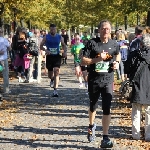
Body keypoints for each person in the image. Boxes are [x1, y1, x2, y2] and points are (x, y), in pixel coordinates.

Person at [81, 20, 120, 148]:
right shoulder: (92, 43)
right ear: (99, 30)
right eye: (103, 28)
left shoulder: (114, 43)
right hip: (94, 80)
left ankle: (105, 136)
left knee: (107, 108)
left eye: (108, 29)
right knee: (93, 106)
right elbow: (83, 60)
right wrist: (98, 59)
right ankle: (91, 126)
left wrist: (117, 63)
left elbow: (117, 54)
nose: (106, 31)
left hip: (108, 79)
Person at [125, 33, 150, 141]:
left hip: (137, 85)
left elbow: (126, 69)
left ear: (140, 44)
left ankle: (136, 135)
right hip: (149, 86)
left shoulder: (134, 54)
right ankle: (149, 135)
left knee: (136, 111)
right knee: (149, 112)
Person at [40, 24, 66, 97]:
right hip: (49, 56)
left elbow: (64, 45)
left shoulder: (59, 37)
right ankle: (52, 79)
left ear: (56, 29)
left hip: (57, 56)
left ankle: (55, 90)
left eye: (54, 29)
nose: (53, 31)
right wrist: (46, 50)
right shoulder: (46, 37)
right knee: (50, 74)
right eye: (51, 29)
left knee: (56, 71)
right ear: (49, 30)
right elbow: (41, 46)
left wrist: (65, 52)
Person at [0, 27, 11, 93]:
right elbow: (10, 48)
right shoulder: (4, 40)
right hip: (3, 59)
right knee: (5, 74)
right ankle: (6, 90)